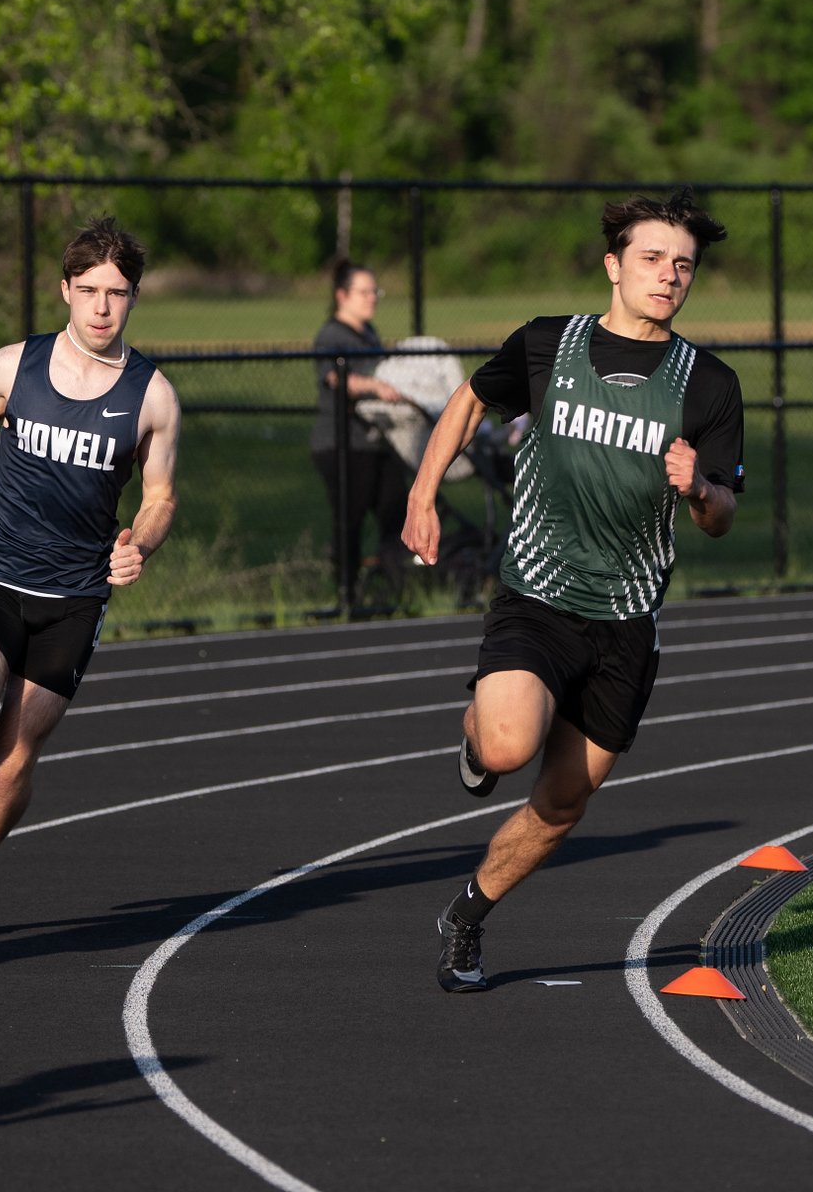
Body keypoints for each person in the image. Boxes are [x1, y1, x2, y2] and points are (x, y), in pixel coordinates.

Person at [401, 189, 745, 992]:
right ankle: (479, 727)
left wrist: (700, 489)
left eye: (683, 265)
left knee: (560, 809)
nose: (668, 277)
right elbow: (469, 400)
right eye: (653, 259)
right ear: (614, 265)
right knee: (506, 747)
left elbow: (722, 517)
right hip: (540, 594)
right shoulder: (546, 344)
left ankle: (467, 917)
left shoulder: (709, 385)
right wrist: (423, 493)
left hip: (625, 622)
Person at [0, 216, 181, 944]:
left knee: (11, 761)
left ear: (134, 298)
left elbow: (159, 497)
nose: (100, 307)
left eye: (116, 293)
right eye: (87, 290)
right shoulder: (13, 367)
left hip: (75, 599)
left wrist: (139, 544)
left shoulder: (152, 396)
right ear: (64, 289)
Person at [310, 259, 408, 604]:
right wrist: (374, 386)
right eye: (364, 292)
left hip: (375, 444)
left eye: (374, 291)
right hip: (342, 446)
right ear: (342, 295)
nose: (372, 298)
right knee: (349, 522)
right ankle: (346, 594)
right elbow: (335, 377)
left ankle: (394, 589)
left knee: (396, 513)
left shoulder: (369, 333)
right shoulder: (332, 334)